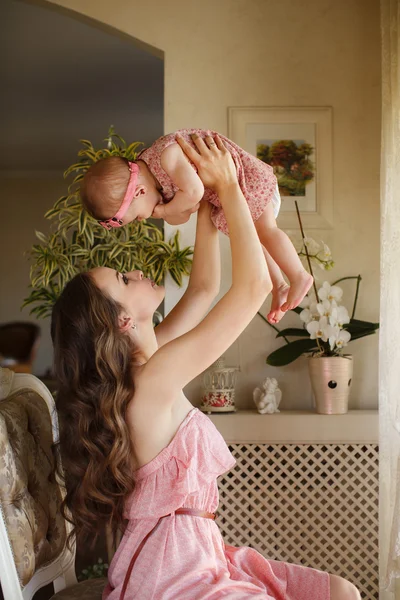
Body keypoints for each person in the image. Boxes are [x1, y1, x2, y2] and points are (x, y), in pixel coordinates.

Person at [52, 134, 359, 600]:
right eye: (122, 278)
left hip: (196, 551)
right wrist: (231, 188)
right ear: (123, 320)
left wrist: (205, 199)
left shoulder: (153, 360)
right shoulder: (152, 382)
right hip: (173, 570)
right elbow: (252, 287)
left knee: (340, 591)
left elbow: (204, 288)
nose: (134, 271)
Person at [80, 129, 313, 324]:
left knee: (267, 232)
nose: (145, 218)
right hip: (232, 191)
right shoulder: (158, 186)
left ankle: (298, 275)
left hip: (245, 181)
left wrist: (165, 210)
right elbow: (184, 214)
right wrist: (169, 211)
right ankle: (279, 285)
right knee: (256, 238)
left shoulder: (165, 157)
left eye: (140, 215)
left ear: (140, 192)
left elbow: (195, 192)